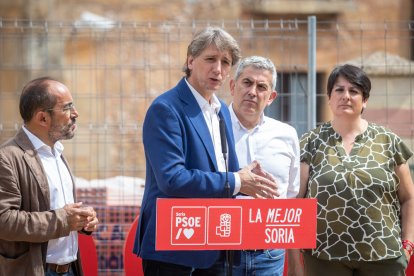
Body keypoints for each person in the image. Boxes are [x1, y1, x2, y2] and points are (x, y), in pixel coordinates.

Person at [133, 27, 279, 275]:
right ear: (190, 60)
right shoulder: (166, 108)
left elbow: (223, 170)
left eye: (226, 62)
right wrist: (236, 180)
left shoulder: (221, 109)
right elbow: (172, 179)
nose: (218, 69)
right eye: (210, 59)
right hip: (173, 247)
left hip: (213, 246)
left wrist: (246, 176)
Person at [290, 64, 414, 276]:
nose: (346, 96)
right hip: (323, 257)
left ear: (364, 100)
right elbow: (295, 204)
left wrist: (408, 246)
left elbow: (408, 198)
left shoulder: (387, 141)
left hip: (385, 257)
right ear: (329, 97)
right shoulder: (310, 142)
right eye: (339, 90)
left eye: (354, 91)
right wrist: (295, 264)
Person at [0, 77, 99, 276]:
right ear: (42, 118)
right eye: (67, 108)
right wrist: (63, 220)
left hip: (69, 269)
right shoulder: (8, 157)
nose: (75, 114)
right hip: (35, 270)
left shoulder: (56, 152)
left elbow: (56, 210)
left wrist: (81, 221)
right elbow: (4, 220)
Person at [228, 56, 300, 275]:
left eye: (262, 87)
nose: (253, 92)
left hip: (270, 254)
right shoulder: (212, 128)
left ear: (271, 97)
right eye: (247, 83)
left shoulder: (287, 135)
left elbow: (291, 195)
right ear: (233, 86)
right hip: (222, 251)